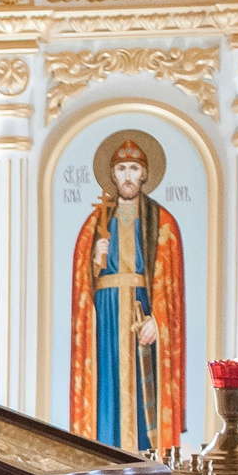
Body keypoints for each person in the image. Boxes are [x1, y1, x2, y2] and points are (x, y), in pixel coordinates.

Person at [69, 135, 185, 453]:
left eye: (135, 168)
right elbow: (82, 285)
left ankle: (149, 458)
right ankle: (104, 454)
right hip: (105, 321)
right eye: (122, 168)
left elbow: (170, 286)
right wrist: (94, 261)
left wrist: (158, 321)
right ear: (113, 174)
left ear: (145, 174)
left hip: (141, 314)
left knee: (143, 386)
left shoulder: (163, 222)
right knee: (107, 385)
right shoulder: (95, 223)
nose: (129, 175)